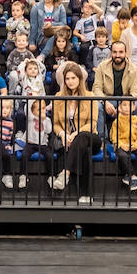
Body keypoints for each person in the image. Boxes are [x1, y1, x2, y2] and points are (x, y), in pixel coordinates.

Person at [49, 62, 99, 203]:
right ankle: (86, 194)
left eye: (73, 78)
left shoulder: (90, 96)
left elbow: (92, 123)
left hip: (91, 137)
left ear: (80, 79)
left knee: (83, 138)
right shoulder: (59, 96)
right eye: (67, 79)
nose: (70, 82)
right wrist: (63, 134)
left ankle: (66, 173)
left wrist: (75, 133)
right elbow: (56, 124)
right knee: (85, 152)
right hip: (72, 140)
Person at [93, 41, 137, 130]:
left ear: (126, 53)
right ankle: (103, 141)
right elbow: (97, 88)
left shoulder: (134, 69)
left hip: (125, 99)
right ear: (111, 53)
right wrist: (105, 101)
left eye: (121, 52)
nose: (117, 55)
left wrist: (124, 105)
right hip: (107, 99)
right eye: (115, 52)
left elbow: (135, 91)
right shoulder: (102, 66)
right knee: (97, 106)